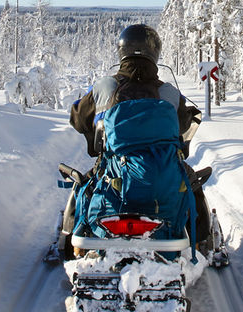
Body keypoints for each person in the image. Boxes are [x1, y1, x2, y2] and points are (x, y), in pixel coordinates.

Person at [69, 23, 211, 246]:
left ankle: (69, 240)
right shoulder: (169, 93)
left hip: (114, 166)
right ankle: (202, 242)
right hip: (162, 166)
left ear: (122, 51)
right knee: (193, 186)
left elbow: (77, 119)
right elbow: (183, 126)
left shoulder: (104, 86)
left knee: (83, 186)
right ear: (154, 53)